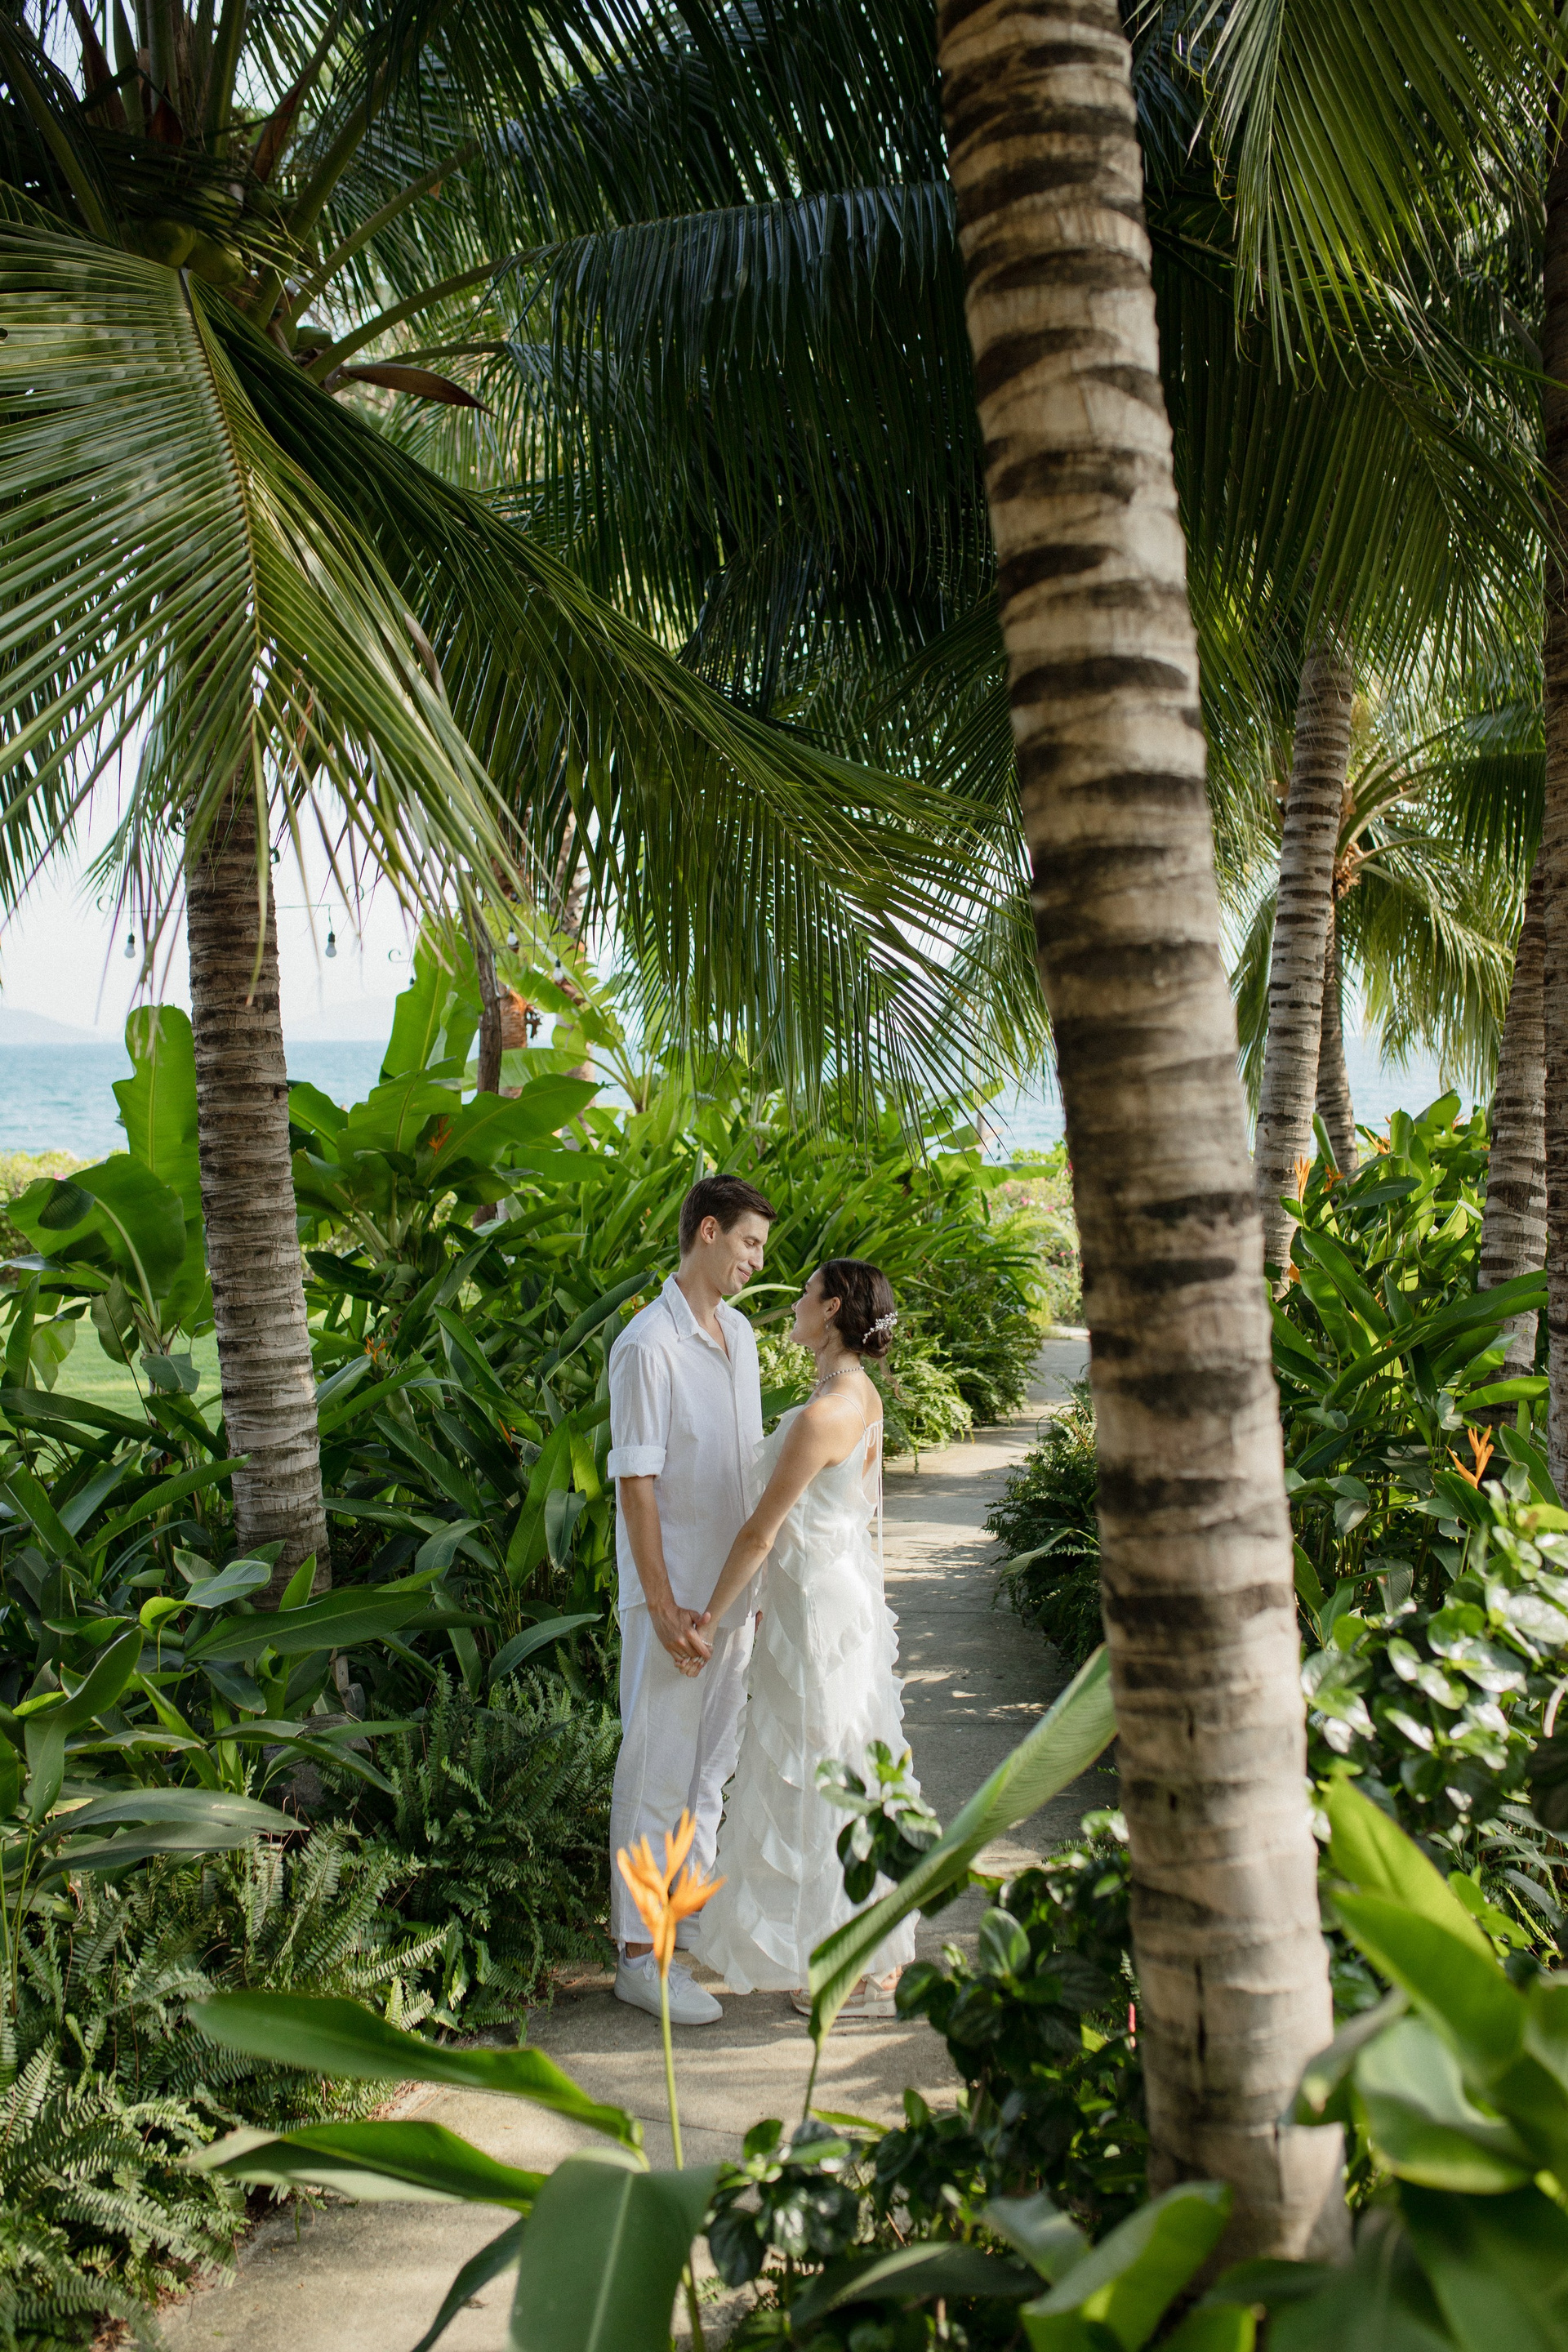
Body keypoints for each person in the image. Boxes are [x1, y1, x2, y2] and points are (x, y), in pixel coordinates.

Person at [691, 1258, 917, 2016]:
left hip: (820, 1615)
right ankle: (862, 1948)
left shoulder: (828, 1412)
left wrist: (708, 1618)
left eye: (804, 1293)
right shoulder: (855, 1393)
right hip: (824, 1597)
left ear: (831, 1310)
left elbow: (762, 1532)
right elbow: (858, 1507)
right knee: (839, 1766)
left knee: (825, 1775)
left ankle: (855, 1962)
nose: (793, 1302)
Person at [606, 1172, 776, 2025]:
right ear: (707, 1231)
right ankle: (638, 1957)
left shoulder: (739, 1335)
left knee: (710, 1770)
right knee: (658, 1771)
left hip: (730, 1596)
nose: (757, 1262)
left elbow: (745, 1468)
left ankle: (683, 1921)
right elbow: (637, 1485)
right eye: (749, 1243)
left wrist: (749, 1592)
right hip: (670, 1603)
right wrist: (667, 1606)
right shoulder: (648, 1345)